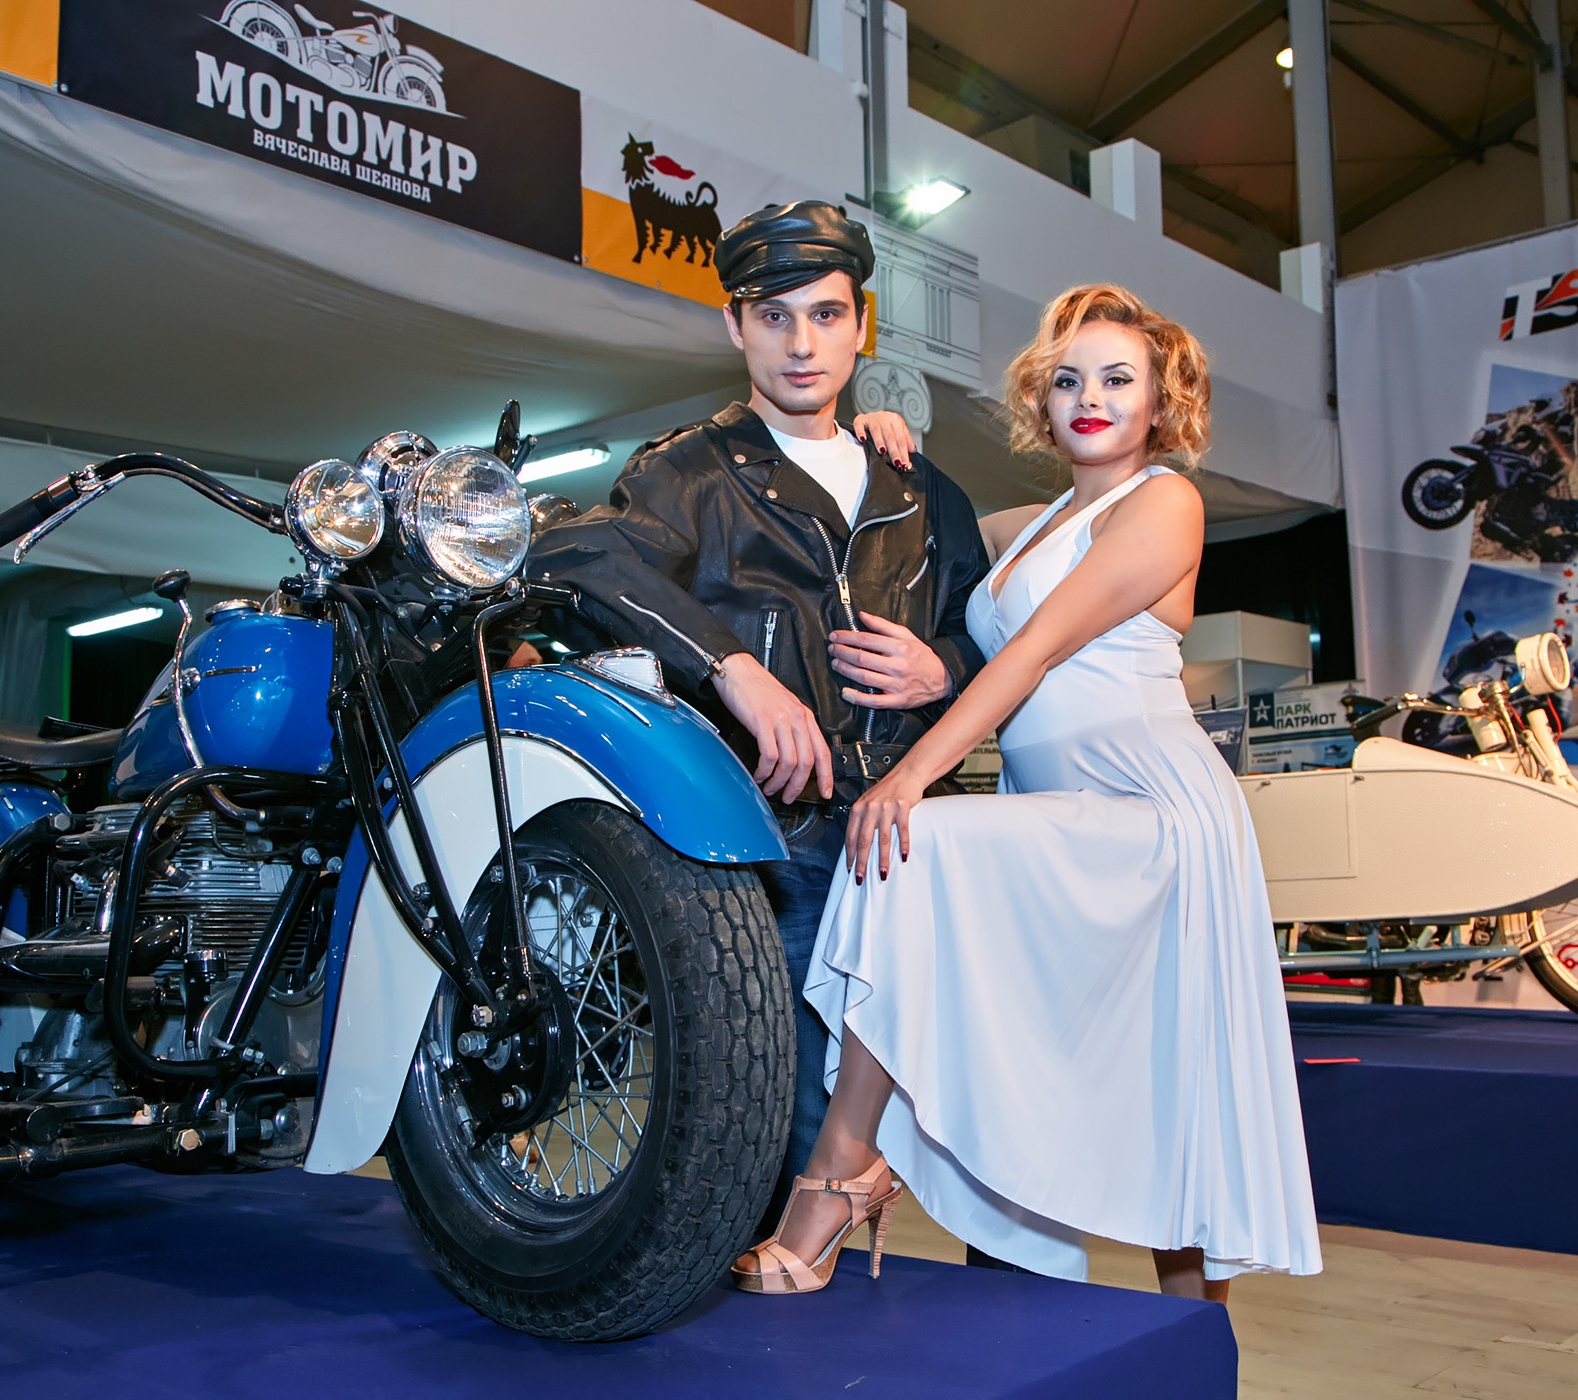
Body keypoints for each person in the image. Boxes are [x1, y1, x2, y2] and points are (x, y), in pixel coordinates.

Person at [730, 283, 1322, 1301]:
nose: (1091, 399)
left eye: (1119, 379)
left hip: (1149, 806)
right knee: (1129, 1065)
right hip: (1057, 800)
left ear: (1161, 399)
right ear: (1041, 400)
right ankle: (860, 1175)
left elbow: (1036, 649)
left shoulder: (1165, 501)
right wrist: (885, 443)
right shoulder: (1039, 520)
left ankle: (841, 1173)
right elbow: (935, 522)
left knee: (1168, 1066)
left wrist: (914, 771)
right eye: (1068, 380)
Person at [527, 200, 990, 1204]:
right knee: (779, 1096)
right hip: (772, 837)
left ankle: (991, 1279)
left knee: (973, 1090)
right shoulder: (688, 471)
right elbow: (576, 555)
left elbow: (989, 632)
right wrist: (734, 665)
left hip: (917, 826)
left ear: (861, 325)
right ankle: (789, 1274)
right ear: (735, 326)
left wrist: (944, 667)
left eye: (825, 315)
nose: (801, 343)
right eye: (773, 316)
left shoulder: (923, 491)